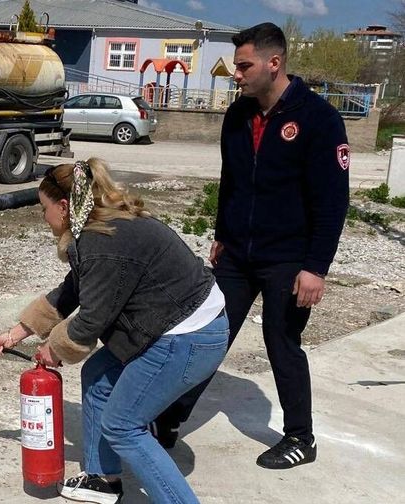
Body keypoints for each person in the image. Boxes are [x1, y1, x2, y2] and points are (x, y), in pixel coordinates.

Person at [153, 22, 350, 470]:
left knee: (281, 342)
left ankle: (301, 437)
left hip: (289, 258)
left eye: (244, 65)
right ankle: (169, 420)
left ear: (273, 63)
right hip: (238, 254)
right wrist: (223, 234)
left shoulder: (319, 119)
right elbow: (233, 182)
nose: (236, 74)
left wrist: (316, 267)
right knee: (207, 336)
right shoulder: (238, 115)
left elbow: (333, 200)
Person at [0, 158, 229, 504]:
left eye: (44, 209)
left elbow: (93, 319)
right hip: (176, 326)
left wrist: (53, 350)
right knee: (99, 375)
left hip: (189, 337)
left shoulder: (104, 242)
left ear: (64, 206)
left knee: (122, 425)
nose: (44, 217)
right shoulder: (97, 229)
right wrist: (15, 334)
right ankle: (103, 479)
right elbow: (71, 291)